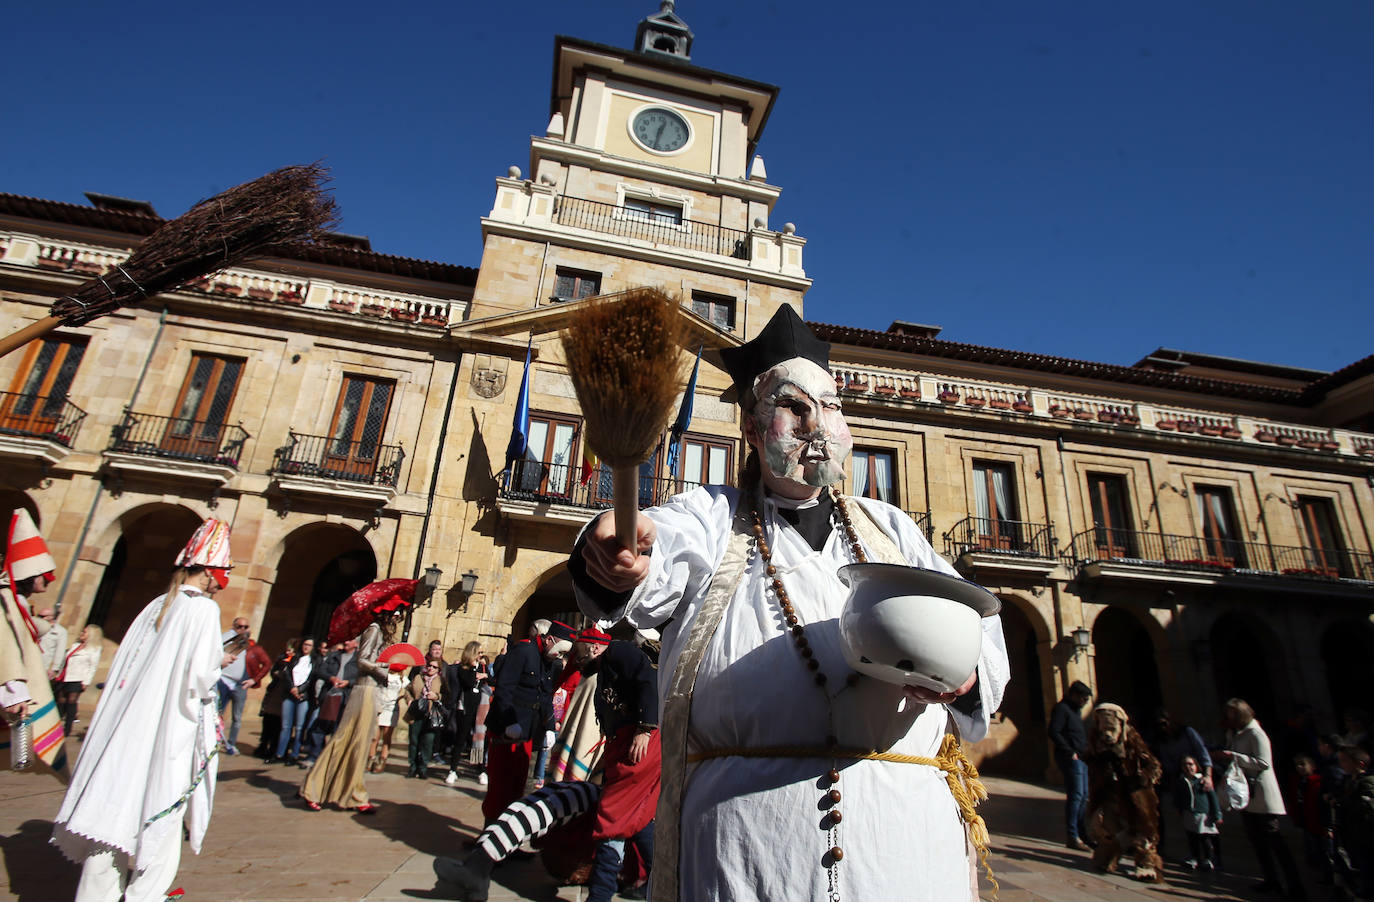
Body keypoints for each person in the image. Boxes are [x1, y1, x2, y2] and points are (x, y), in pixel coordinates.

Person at [570, 305, 1009, 901]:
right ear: (751, 430)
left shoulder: (893, 528)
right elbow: (652, 548)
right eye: (794, 408)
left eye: (830, 407)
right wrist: (617, 554)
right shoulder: (711, 516)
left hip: (903, 845)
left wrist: (961, 678)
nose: (816, 425)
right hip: (749, 847)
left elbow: (977, 628)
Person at [51, 517, 231, 902]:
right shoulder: (203, 611)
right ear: (213, 572)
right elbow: (200, 677)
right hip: (168, 726)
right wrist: (221, 661)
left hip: (126, 727)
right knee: (162, 808)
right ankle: (146, 895)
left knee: (113, 811)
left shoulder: (155, 605)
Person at [299, 595, 408, 812]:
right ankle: (314, 788)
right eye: (396, 613)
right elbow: (362, 660)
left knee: (359, 743)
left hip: (372, 690)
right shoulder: (374, 629)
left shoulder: (380, 632)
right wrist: (385, 669)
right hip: (364, 690)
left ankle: (351, 793)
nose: (398, 618)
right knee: (347, 739)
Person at [481, 620, 574, 823]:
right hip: (507, 731)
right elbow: (505, 688)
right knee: (500, 787)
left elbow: (545, 694)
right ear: (550, 639)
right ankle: (488, 839)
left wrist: (549, 726)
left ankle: (507, 838)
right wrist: (508, 722)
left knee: (517, 786)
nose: (560, 656)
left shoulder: (549, 660)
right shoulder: (523, 651)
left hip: (526, 732)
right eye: (559, 650)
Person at [1217, 697, 1307, 900]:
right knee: (1258, 842)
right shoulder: (1236, 733)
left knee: (1275, 841)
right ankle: (1271, 880)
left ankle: (1295, 885)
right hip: (1247, 794)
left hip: (1263, 795)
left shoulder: (1256, 733)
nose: (1229, 717)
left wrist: (1234, 756)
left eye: (1232, 713)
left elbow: (1264, 763)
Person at [0, 509, 67, 777]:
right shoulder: (7, 599)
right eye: (44, 573)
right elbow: (5, 644)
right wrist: (13, 689)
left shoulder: (18, 602)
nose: (48, 579)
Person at [1049, 680, 1093, 851]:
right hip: (1071, 758)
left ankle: (1083, 833)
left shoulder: (1075, 710)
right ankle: (1073, 835)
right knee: (1076, 796)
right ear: (1074, 695)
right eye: (1083, 698)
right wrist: (1069, 752)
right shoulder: (1062, 709)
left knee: (1083, 797)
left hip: (1082, 758)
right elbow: (1054, 731)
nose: (1084, 702)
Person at [216, 616, 269, 755]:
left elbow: (267, 663)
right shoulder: (226, 639)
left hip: (240, 685)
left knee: (237, 717)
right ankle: (215, 741)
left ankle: (231, 744)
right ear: (234, 627)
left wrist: (254, 680)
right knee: (217, 713)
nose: (242, 629)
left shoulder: (253, 647)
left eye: (245, 627)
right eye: (239, 626)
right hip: (223, 681)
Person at [443, 640, 486, 785]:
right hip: (465, 708)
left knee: (477, 740)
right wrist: (475, 671)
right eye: (479, 653)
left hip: (479, 708)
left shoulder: (482, 668)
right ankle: (453, 770)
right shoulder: (463, 668)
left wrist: (484, 675)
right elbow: (467, 682)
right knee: (461, 739)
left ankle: (479, 770)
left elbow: (491, 680)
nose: (481, 655)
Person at [272, 637, 320, 764]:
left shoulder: (314, 661)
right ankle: (280, 753)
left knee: (299, 727)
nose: (306, 647)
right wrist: (292, 688)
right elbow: (287, 673)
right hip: (290, 694)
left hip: (303, 696)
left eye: (309, 645)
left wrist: (300, 690)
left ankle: (294, 754)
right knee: (286, 726)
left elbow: (312, 678)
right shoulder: (295, 658)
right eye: (305, 644)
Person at [1173, 754, 1221, 870]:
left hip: (1203, 814)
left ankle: (1208, 859)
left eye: (1190, 764)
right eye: (1184, 765)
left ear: (1196, 765)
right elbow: (1178, 797)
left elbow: (1213, 798)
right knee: (1192, 837)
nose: (1188, 767)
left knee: (1204, 838)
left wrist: (1217, 814)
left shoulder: (1202, 780)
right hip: (1189, 814)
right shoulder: (1181, 781)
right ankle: (1194, 857)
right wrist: (1179, 809)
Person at [55, 625, 103, 737]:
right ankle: (56, 725)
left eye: (85, 632)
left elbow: (93, 666)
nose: (82, 633)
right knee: (61, 700)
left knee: (71, 701)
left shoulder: (94, 649)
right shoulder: (75, 645)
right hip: (65, 676)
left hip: (78, 678)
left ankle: (67, 728)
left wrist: (86, 682)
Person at [405, 658, 448, 778]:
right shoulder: (418, 678)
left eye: (434, 667)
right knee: (414, 741)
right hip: (416, 713)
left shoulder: (441, 681)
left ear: (439, 669)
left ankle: (423, 768)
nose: (431, 668)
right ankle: (412, 767)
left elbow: (447, 696)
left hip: (431, 715)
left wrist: (436, 696)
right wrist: (409, 700)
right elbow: (407, 690)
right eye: (429, 666)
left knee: (428, 742)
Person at [369, 665, 406, 773]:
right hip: (380, 706)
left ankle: (382, 759)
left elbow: (405, 691)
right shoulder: (383, 675)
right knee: (374, 736)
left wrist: (401, 697)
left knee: (387, 736)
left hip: (392, 709)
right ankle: (371, 757)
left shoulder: (403, 679)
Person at [36, 607, 68, 692]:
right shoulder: (34, 625)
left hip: (44, 665)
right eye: (38, 616)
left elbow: (60, 652)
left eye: (42, 616)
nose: (39, 618)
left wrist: (54, 669)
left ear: (51, 617)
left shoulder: (60, 631)